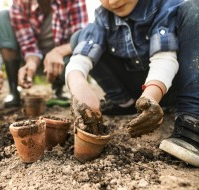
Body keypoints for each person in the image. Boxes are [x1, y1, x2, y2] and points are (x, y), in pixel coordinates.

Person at [66, 0, 199, 167]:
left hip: (171, 86)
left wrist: (151, 95)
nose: (113, 1)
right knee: (79, 38)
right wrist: (79, 85)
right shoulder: (103, 17)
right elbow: (80, 59)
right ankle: (125, 103)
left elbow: (164, 58)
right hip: (139, 91)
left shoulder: (164, 6)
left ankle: (192, 120)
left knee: (193, 8)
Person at [0, 0, 88, 107]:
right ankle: (13, 90)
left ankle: (59, 88)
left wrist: (57, 52)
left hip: (62, 59)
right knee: (3, 16)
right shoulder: (21, 2)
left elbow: (82, 39)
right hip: (32, 59)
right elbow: (28, 45)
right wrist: (31, 63)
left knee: (80, 51)